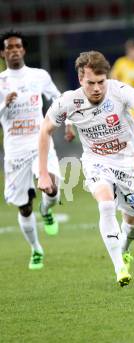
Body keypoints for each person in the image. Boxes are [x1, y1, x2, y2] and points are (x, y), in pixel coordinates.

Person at [38, 51, 134, 287]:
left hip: (128, 162)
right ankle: (119, 267)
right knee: (105, 204)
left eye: (101, 82)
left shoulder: (120, 90)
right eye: (90, 83)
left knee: (133, 224)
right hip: (96, 161)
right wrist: (44, 173)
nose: (97, 88)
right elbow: (45, 130)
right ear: (80, 80)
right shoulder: (68, 101)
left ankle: (124, 248)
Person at [0, 30, 74, 270]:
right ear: (2, 53)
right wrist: (4, 103)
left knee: (52, 188)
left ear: (23, 50)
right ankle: (36, 249)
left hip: (40, 143)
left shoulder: (39, 75)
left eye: (17, 46)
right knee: (24, 206)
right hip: (15, 151)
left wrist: (70, 122)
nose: (14, 50)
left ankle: (47, 210)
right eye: (9, 47)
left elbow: (59, 98)